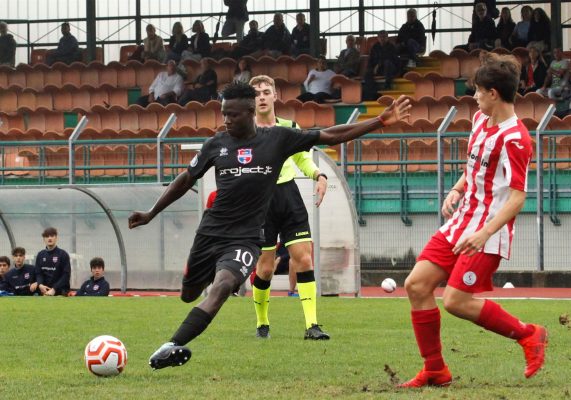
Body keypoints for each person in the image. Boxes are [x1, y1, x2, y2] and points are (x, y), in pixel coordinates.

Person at [128, 81, 411, 370]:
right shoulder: (216, 144)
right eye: (224, 113)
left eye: (233, 115)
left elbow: (329, 135)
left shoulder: (277, 138)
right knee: (189, 295)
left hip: (246, 238)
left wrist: (379, 120)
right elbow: (186, 179)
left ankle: (171, 346)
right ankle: (195, 276)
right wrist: (152, 212)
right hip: (210, 233)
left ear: (250, 112)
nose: (226, 120)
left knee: (223, 286)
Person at [399, 53, 547, 388]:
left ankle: (529, 335)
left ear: (494, 93)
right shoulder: (481, 121)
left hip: (487, 233)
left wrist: (485, 233)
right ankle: (435, 369)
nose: (474, 96)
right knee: (416, 285)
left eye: (479, 91)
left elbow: (517, 197)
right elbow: (474, 168)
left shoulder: (516, 139)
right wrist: (456, 188)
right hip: (460, 222)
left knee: (455, 300)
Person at [250, 74, 329, 339]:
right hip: (261, 201)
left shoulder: (288, 126)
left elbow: (303, 159)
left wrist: (319, 175)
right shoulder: (244, 131)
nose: (261, 97)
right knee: (265, 268)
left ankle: (312, 325)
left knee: (304, 258)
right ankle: (262, 323)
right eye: (257, 93)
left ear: (275, 95)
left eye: (265, 91)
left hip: (289, 196)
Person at [35, 227, 71, 296]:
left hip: (60, 291)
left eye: (52, 236)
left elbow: (66, 275)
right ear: (44, 239)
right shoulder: (40, 255)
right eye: (47, 236)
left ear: (56, 238)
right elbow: (38, 273)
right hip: (45, 291)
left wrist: (54, 289)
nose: (49, 238)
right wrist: (40, 285)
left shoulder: (63, 254)